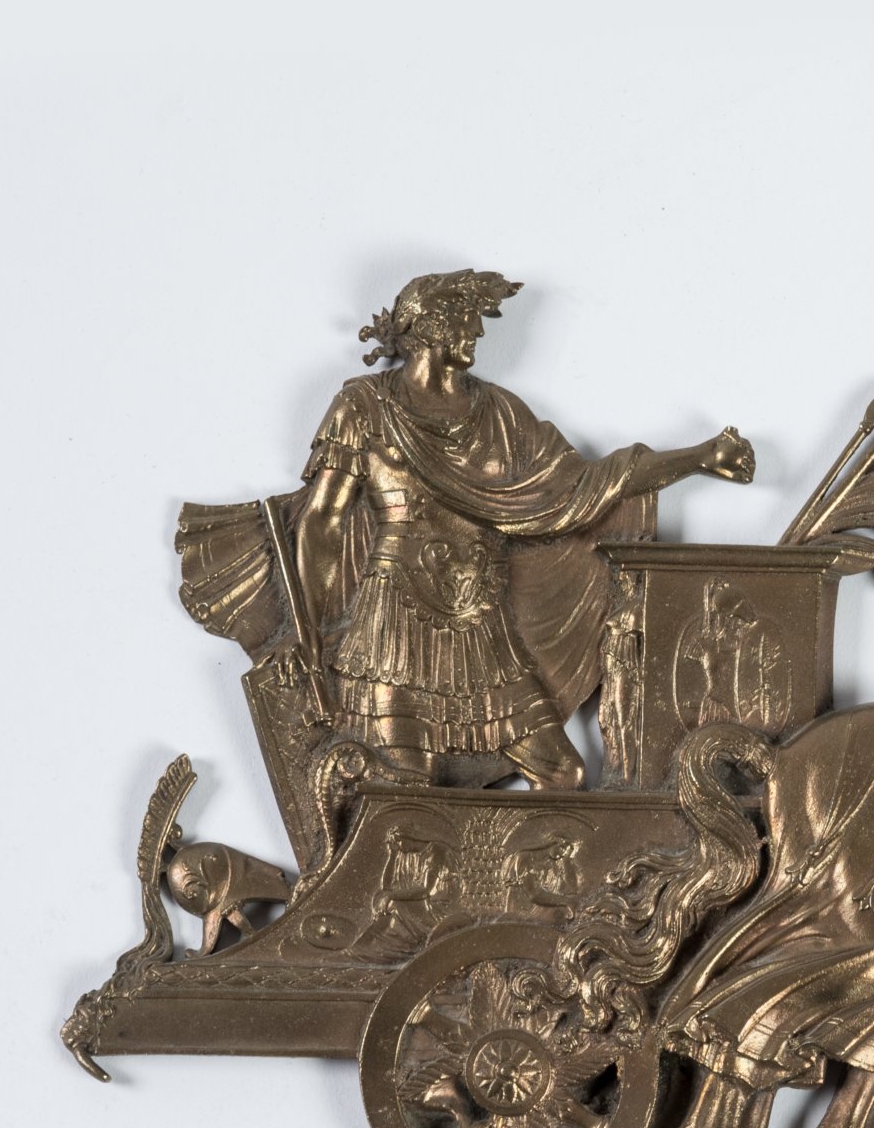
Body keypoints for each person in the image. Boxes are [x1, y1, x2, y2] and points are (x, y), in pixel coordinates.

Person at [284, 269, 756, 788]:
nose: (477, 332)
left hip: (482, 623)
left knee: (565, 774)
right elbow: (323, 520)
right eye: (466, 319)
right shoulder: (364, 406)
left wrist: (697, 457)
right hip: (397, 622)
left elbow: (586, 484)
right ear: (431, 325)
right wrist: (310, 630)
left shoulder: (501, 415)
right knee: (409, 788)